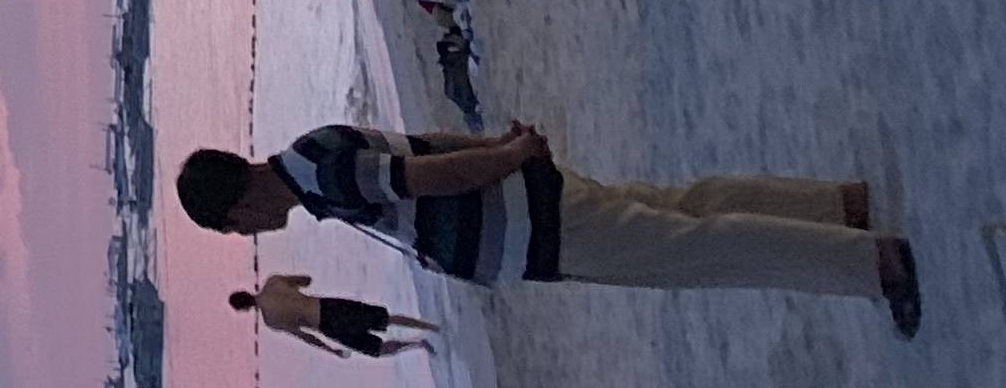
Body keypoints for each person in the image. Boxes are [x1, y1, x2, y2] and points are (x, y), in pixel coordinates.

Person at [177, 124, 920, 335]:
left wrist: (505, 154)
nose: (251, 234)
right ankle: (837, 209)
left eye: (237, 229)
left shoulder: (322, 178)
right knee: (686, 211)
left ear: (236, 210)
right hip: (529, 206)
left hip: (532, 225)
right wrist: (506, 149)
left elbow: (427, 176)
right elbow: (422, 147)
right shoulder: (312, 154)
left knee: (698, 249)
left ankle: (873, 264)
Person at [234, 276, 439, 359]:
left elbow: (307, 337)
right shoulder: (273, 283)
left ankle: (418, 344)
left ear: (245, 309)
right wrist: (295, 287)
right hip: (329, 306)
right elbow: (306, 280)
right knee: (386, 318)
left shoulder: (271, 320)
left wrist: (330, 350)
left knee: (376, 348)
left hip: (327, 325)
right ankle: (430, 326)